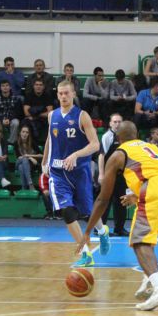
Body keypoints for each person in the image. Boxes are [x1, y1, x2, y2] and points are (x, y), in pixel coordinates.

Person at [83, 120, 158, 310]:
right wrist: (137, 196)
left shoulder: (118, 154)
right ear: (136, 135)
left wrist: (87, 231)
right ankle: (148, 280)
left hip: (154, 188)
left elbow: (103, 199)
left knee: (139, 241)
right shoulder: (150, 146)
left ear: (118, 139)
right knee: (148, 239)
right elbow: (157, 174)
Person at [41, 80, 110, 267]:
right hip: (58, 172)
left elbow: (95, 144)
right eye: (60, 93)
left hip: (79, 171)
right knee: (67, 212)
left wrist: (76, 155)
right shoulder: (52, 115)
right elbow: (50, 139)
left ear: (73, 94)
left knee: (87, 212)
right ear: (57, 95)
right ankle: (86, 254)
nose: (63, 96)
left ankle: (102, 231)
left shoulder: (82, 116)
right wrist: (44, 160)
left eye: (66, 93)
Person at [98, 113, 128, 236]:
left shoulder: (125, 137)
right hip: (108, 174)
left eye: (119, 122)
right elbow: (101, 156)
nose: (117, 124)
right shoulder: (107, 137)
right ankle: (99, 229)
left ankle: (119, 228)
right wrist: (101, 174)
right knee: (105, 201)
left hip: (121, 175)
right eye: (115, 122)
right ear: (110, 123)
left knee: (122, 202)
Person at [15, 125, 42, 190]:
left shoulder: (32, 142)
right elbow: (19, 158)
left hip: (29, 165)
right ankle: (30, 183)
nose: (25, 134)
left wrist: (30, 156)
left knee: (21, 167)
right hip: (18, 162)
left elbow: (41, 155)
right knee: (23, 160)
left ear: (29, 134)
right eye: (23, 132)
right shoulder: (16, 143)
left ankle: (24, 188)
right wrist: (28, 157)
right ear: (20, 133)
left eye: (27, 132)